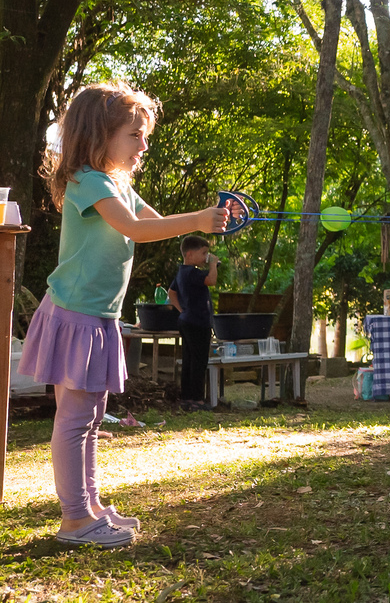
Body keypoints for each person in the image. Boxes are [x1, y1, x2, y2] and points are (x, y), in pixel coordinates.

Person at [17, 81, 233, 548]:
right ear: (99, 136)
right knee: (75, 419)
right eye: (134, 135)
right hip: (75, 314)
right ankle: (74, 520)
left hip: (97, 317)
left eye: (145, 136)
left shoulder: (117, 182)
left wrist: (210, 219)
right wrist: (197, 219)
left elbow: (153, 226)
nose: (143, 145)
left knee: (92, 416)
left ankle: (89, 505)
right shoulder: (87, 181)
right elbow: (134, 228)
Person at [167, 235, 218, 412]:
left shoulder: (182, 272)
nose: (206, 257)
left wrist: (182, 310)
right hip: (197, 322)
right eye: (203, 253)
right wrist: (213, 265)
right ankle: (197, 399)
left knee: (189, 359)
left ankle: (187, 397)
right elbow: (211, 280)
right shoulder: (192, 272)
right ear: (189, 254)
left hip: (187, 320)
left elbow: (171, 292)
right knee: (199, 361)